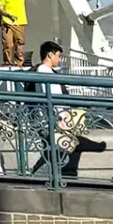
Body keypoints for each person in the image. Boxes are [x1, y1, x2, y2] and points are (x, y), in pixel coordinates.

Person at [27, 41, 71, 176]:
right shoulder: (46, 72)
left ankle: (45, 180)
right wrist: (62, 119)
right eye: (58, 56)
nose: (59, 59)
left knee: (52, 154)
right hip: (49, 121)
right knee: (60, 156)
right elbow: (55, 99)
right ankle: (35, 179)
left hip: (42, 119)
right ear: (50, 55)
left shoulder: (37, 71)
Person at [0, 0, 30, 66]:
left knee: (20, 43)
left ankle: (19, 63)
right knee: (8, 44)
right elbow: (0, 9)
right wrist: (8, 15)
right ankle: (8, 63)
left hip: (19, 22)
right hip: (7, 23)